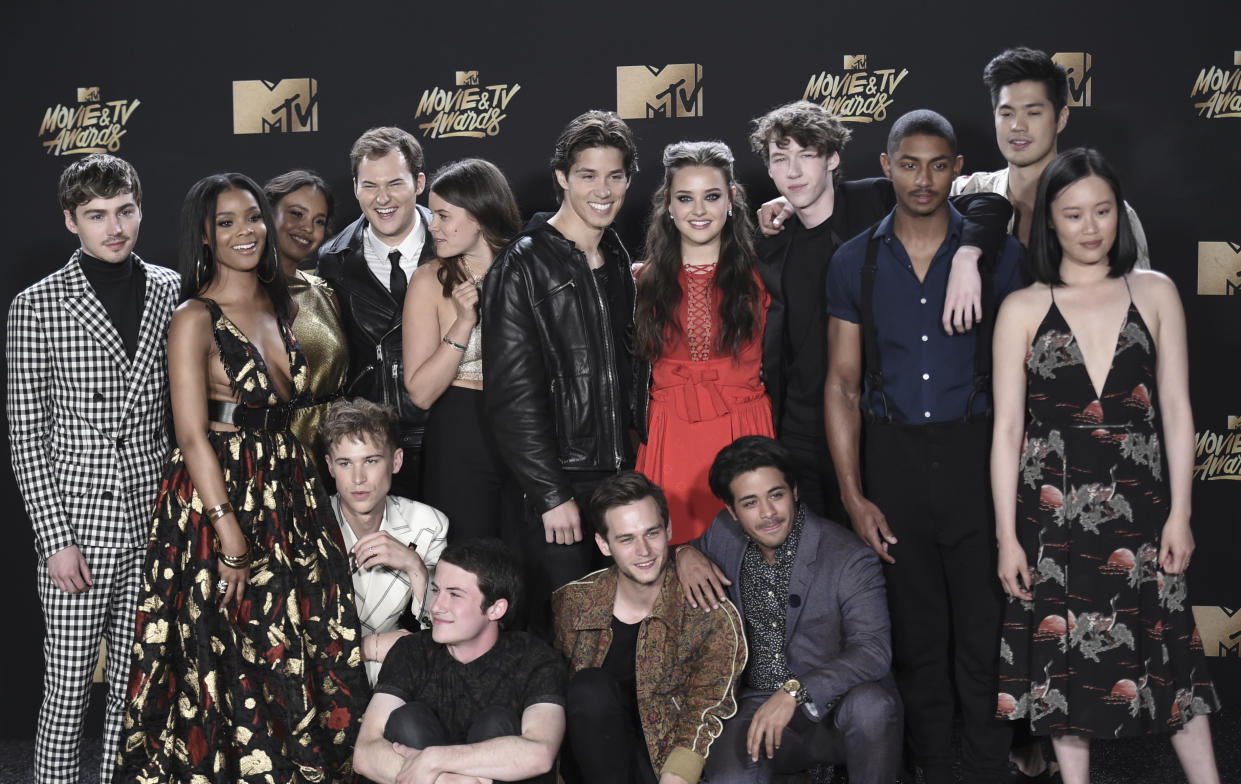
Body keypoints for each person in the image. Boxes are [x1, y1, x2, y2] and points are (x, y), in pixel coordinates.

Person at [116, 173, 369, 782]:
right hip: (220, 496)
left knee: (301, 637)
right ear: (204, 235)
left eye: (252, 216)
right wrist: (228, 533)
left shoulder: (284, 299)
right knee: (229, 650)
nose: (245, 232)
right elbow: (191, 434)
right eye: (226, 222)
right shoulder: (193, 316)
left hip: (289, 484)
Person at [991, 148, 1220, 784]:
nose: (1090, 227)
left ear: (1119, 214)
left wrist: (1182, 514)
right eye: (1073, 214)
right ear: (1051, 224)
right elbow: (1008, 430)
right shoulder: (1022, 309)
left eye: (1102, 211)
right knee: (1061, 660)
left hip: (1142, 511)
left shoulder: (1155, 290)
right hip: (1051, 517)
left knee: (1173, 656)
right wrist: (1008, 537)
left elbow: (1176, 410)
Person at [823, 110, 1025, 784]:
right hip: (894, 459)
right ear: (885, 166)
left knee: (981, 629)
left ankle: (987, 767)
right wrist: (853, 496)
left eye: (938, 164)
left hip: (975, 453)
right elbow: (842, 386)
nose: (923, 178)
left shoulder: (995, 255)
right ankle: (934, 768)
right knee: (916, 636)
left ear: (956, 169)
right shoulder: (854, 259)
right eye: (908, 163)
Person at [747, 101, 1013, 521]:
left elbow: (987, 206)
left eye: (807, 156)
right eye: (781, 159)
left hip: (870, 429)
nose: (794, 171)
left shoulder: (877, 200)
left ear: (832, 158)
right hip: (796, 434)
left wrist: (968, 254)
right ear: (770, 169)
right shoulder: (768, 239)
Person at [6, 154, 179, 784]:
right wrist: (55, 541)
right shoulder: (38, 305)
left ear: (140, 207)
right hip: (79, 521)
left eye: (125, 211)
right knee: (70, 683)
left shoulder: (168, 288)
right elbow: (26, 435)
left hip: (154, 516)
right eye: (97, 215)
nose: (115, 227)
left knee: (134, 687)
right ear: (70, 221)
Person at [483, 110, 639, 635]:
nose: (603, 189)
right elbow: (512, 396)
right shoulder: (523, 264)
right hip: (559, 485)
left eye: (615, 176)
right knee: (565, 639)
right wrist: (551, 495)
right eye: (588, 175)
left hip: (619, 479)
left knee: (618, 638)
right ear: (561, 179)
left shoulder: (616, 255)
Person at [675, 436, 901, 784]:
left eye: (776, 495)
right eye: (750, 503)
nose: (767, 514)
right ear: (732, 512)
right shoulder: (722, 534)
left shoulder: (849, 557)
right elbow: (685, 549)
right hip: (754, 708)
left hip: (833, 710)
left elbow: (873, 651)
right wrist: (683, 554)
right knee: (730, 779)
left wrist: (796, 690)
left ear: (794, 491)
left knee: (873, 706)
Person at [941, 47, 1152, 340]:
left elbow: (1138, 326)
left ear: (1061, 118)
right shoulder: (961, 195)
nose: (1018, 126)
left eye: (1033, 112)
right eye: (1007, 113)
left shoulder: (1110, 217)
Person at [552, 471, 747, 784]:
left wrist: (677, 776)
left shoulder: (709, 611)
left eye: (652, 533)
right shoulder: (572, 604)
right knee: (590, 688)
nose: (643, 551)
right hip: (587, 766)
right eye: (626, 539)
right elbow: (548, 690)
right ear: (603, 544)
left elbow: (707, 708)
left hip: (662, 766)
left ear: (669, 529)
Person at [633, 141, 773, 544]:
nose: (698, 211)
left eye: (711, 196)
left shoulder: (764, 277)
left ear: (731, 200)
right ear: (668, 204)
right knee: (669, 574)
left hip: (743, 435)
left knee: (750, 574)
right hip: (668, 441)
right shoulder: (640, 283)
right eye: (685, 198)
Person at [352, 538, 566, 784]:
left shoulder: (534, 657)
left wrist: (435, 760)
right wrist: (449, 781)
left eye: (454, 595)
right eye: (436, 590)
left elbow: (540, 753)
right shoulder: (411, 651)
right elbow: (365, 752)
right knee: (408, 719)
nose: (435, 606)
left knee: (496, 723)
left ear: (496, 609)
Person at [404, 158, 521, 543]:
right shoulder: (428, 280)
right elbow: (420, 394)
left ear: (480, 216)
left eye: (442, 215)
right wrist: (463, 322)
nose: (431, 225)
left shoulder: (529, 269)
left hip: (528, 427)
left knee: (528, 562)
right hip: (460, 431)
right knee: (468, 566)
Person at [316, 126, 435, 499]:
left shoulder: (456, 244)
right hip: (372, 448)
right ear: (355, 188)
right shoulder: (332, 261)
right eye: (370, 186)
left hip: (447, 437)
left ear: (419, 183)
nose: (382, 198)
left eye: (395, 184)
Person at [321, 398, 448, 685]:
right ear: (330, 467)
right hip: (324, 679)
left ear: (396, 461)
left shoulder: (428, 525)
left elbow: (444, 632)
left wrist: (415, 566)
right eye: (345, 463)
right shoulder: (308, 525)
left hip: (392, 676)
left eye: (371, 460)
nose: (358, 478)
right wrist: (369, 647)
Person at [264, 169, 349, 481]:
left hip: (334, 459)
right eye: (296, 214)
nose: (307, 229)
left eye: (319, 221)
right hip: (276, 463)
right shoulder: (243, 293)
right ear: (266, 213)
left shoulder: (323, 290)